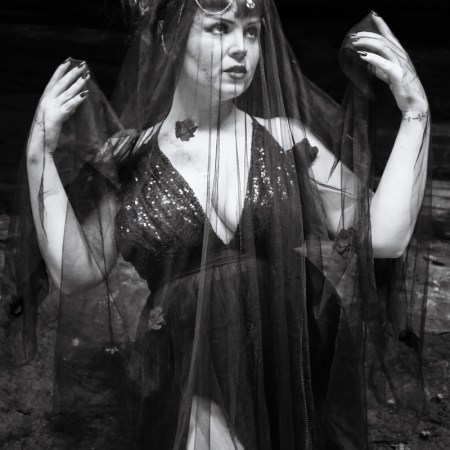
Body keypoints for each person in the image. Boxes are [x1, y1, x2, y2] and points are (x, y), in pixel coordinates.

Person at [1, 0, 431, 448]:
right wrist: (38, 155)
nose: (241, 47)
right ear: (170, 38)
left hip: (290, 360)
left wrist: (414, 112)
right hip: (187, 367)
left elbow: (385, 236)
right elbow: (75, 272)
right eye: (220, 28)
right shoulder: (130, 158)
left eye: (252, 31)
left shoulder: (286, 139)